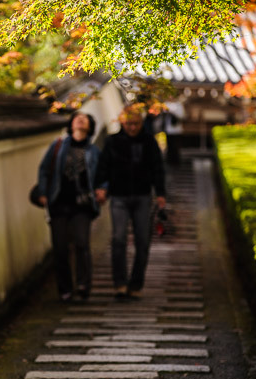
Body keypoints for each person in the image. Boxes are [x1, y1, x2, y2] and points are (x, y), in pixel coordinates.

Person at [94, 105, 166, 300]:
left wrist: (160, 193)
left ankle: (136, 284)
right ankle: (120, 283)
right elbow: (103, 168)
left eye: (135, 124)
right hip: (118, 196)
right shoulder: (112, 142)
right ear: (122, 123)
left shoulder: (149, 142)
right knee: (118, 239)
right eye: (128, 124)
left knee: (143, 241)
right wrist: (101, 187)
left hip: (143, 196)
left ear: (141, 123)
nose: (132, 128)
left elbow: (158, 168)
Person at [36, 112, 101, 302]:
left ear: (90, 126)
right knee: (60, 248)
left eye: (85, 118)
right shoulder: (58, 146)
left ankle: (83, 285)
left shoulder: (94, 151)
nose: (80, 120)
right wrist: (42, 192)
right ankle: (65, 288)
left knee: (82, 244)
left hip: (82, 204)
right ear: (71, 124)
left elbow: (102, 174)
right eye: (77, 117)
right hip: (59, 203)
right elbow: (44, 169)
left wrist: (102, 189)